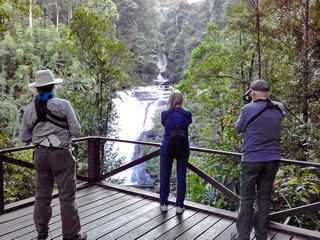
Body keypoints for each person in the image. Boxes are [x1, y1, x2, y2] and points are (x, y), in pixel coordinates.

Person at [19, 70, 87, 240]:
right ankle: (71, 235)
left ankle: (41, 233)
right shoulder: (63, 105)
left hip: (40, 155)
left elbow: (24, 138)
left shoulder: (29, 109)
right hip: (61, 155)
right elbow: (76, 131)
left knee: (42, 196)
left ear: (37, 89)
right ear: (53, 86)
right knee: (66, 196)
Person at [232, 79, 285, 240]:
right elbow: (278, 111)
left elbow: (238, 128)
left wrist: (250, 101)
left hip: (251, 159)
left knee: (247, 198)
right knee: (264, 197)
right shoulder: (279, 107)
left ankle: (243, 236)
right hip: (272, 159)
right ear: (267, 93)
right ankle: (261, 235)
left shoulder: (247, 109)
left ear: (253, 93)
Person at [159, 90, 192, 214]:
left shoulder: (165, 114)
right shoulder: (187, 113)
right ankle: (179, 206)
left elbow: (164, 125)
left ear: (170, 100)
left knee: (165, 176)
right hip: (183, 148)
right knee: (181, 176)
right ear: (181, 100)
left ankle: (163, 204)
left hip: (167, 148)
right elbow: (188, 124)